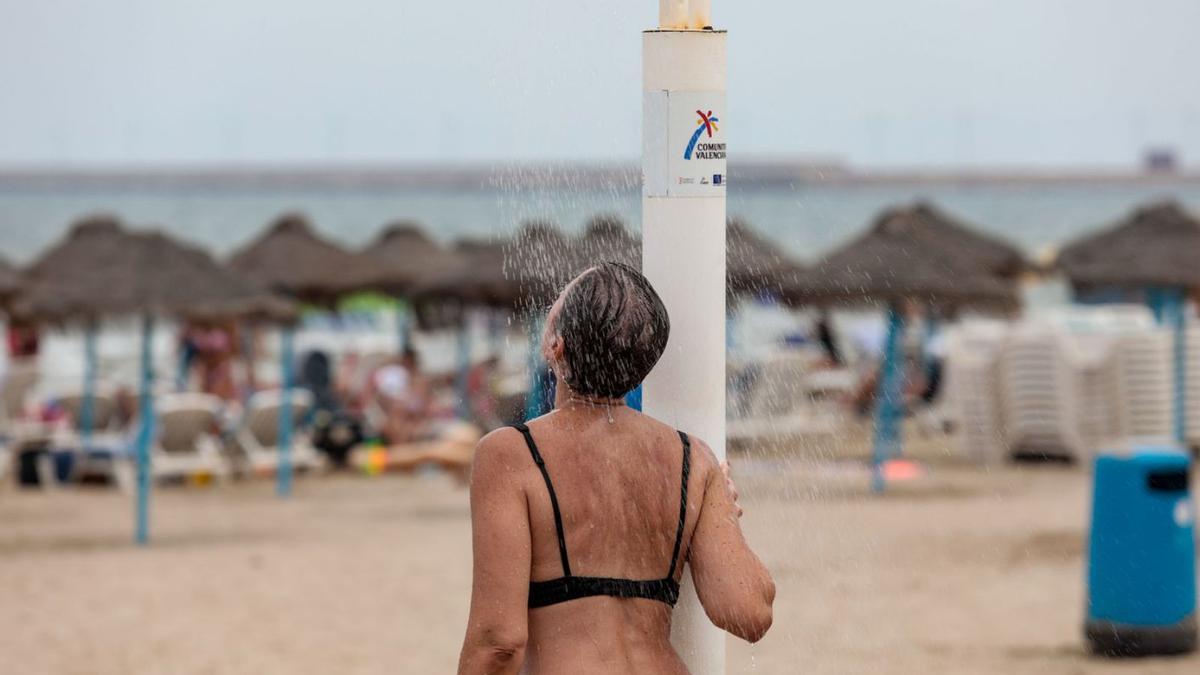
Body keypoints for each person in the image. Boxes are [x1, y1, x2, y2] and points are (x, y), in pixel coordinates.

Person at [458, 262, 774, 674]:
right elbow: (749, 612)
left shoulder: (511, 454)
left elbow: (498, 643)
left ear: (557, 345)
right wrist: (724, 518)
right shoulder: (693, 461)